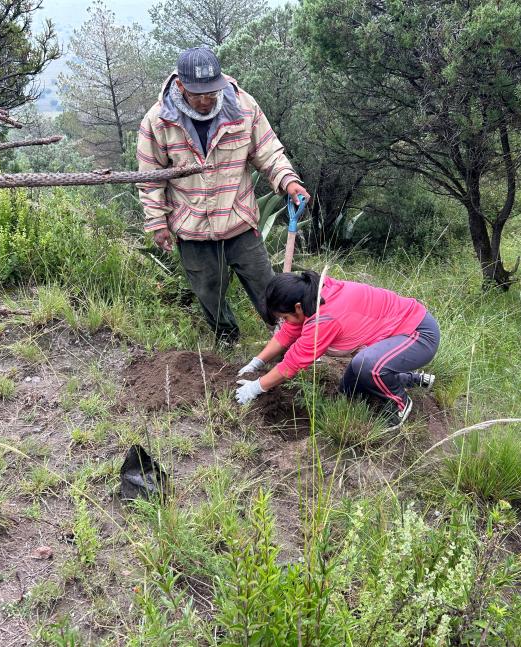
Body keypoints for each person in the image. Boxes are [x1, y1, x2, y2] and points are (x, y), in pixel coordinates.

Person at [136, 46, 309, 346]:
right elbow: (150, 179)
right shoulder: (158, 122)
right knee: (208, 292)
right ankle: (228, 340)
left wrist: (288, 181)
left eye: (211, 92)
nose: (205, 100)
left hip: (239, 220)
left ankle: (286, 341)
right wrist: (157, 223)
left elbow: (269, 152)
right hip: (192, 228)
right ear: (180, 85)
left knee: (266, 287)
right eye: (196, 93)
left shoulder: (243, 107)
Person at [234, 271, 439, 430]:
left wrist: (257, 387)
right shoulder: (312, 295)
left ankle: (400, 403)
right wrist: (256, 362)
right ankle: (409, 378)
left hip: (419, 334)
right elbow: (288, 332)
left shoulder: (325, 317)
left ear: (297, 307)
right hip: (395, 336)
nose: (284, 322)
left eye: (284, 316)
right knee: (347, 392)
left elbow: (294, 362)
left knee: (367, 365)